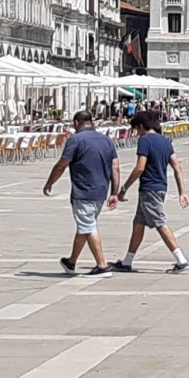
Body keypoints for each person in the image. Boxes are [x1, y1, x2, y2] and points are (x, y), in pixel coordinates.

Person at [111, 112, 189, 273]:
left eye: (137, 129)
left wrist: (124, 189)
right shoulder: (165, 141)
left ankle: (181, 259)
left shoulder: (145, 140)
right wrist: (182, 192)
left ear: (141, 126)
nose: (137, 133)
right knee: (139, 223)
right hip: (160, 187)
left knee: (159, 222)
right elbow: (177, 166)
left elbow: (140, 167)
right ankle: (127, 261)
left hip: (149, 188)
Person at [43, 110, 118, 275]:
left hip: (84, 191)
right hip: (101, 191)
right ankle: (71, 262)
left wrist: (50, 182)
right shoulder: (107, 140)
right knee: (85, 225)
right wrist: (115, 192)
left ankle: (102, 265)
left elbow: (62, 164)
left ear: (76, 123)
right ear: (92, 122)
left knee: (88, 227)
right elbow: (115, 167)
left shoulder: (75, 140)